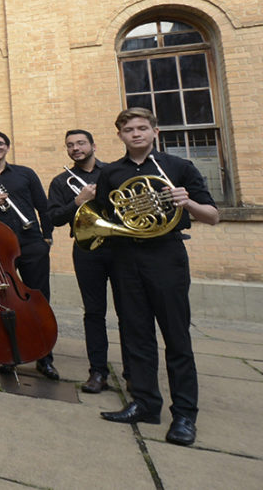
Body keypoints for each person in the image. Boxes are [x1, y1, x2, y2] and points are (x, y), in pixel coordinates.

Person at [95, 108, 218, 447]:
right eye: (128, 129)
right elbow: (108, 215)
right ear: (119, 135)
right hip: (126, 257)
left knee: (176, 337)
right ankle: (146, 404)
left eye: (142, 128)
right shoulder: (113, 173)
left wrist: (188, 202)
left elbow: (214, 216)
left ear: (155, 131)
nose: (135, 134)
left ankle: (184, 415)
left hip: (166, 256)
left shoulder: (178, 168)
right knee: (136, 336)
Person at [0, 130, 58, 380]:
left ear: (7, 147)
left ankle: (44, 357)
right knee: (4, 301)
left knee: (39, 299)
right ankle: (9, 355)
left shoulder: (25, 173)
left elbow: (43, 205)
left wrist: (47, 236)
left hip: (30, 242)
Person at [46, 129, 114, 393]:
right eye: (70, 145)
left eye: (81, 143)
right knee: (94, 312)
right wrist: (79, 200)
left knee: (130, 312)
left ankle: (134, 371)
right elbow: (54, 218)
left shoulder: (113, 172)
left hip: (120, 247)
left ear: (93, 145)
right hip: (87, 248)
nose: (76, 148)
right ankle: (98, 372)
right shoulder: (61, 181)